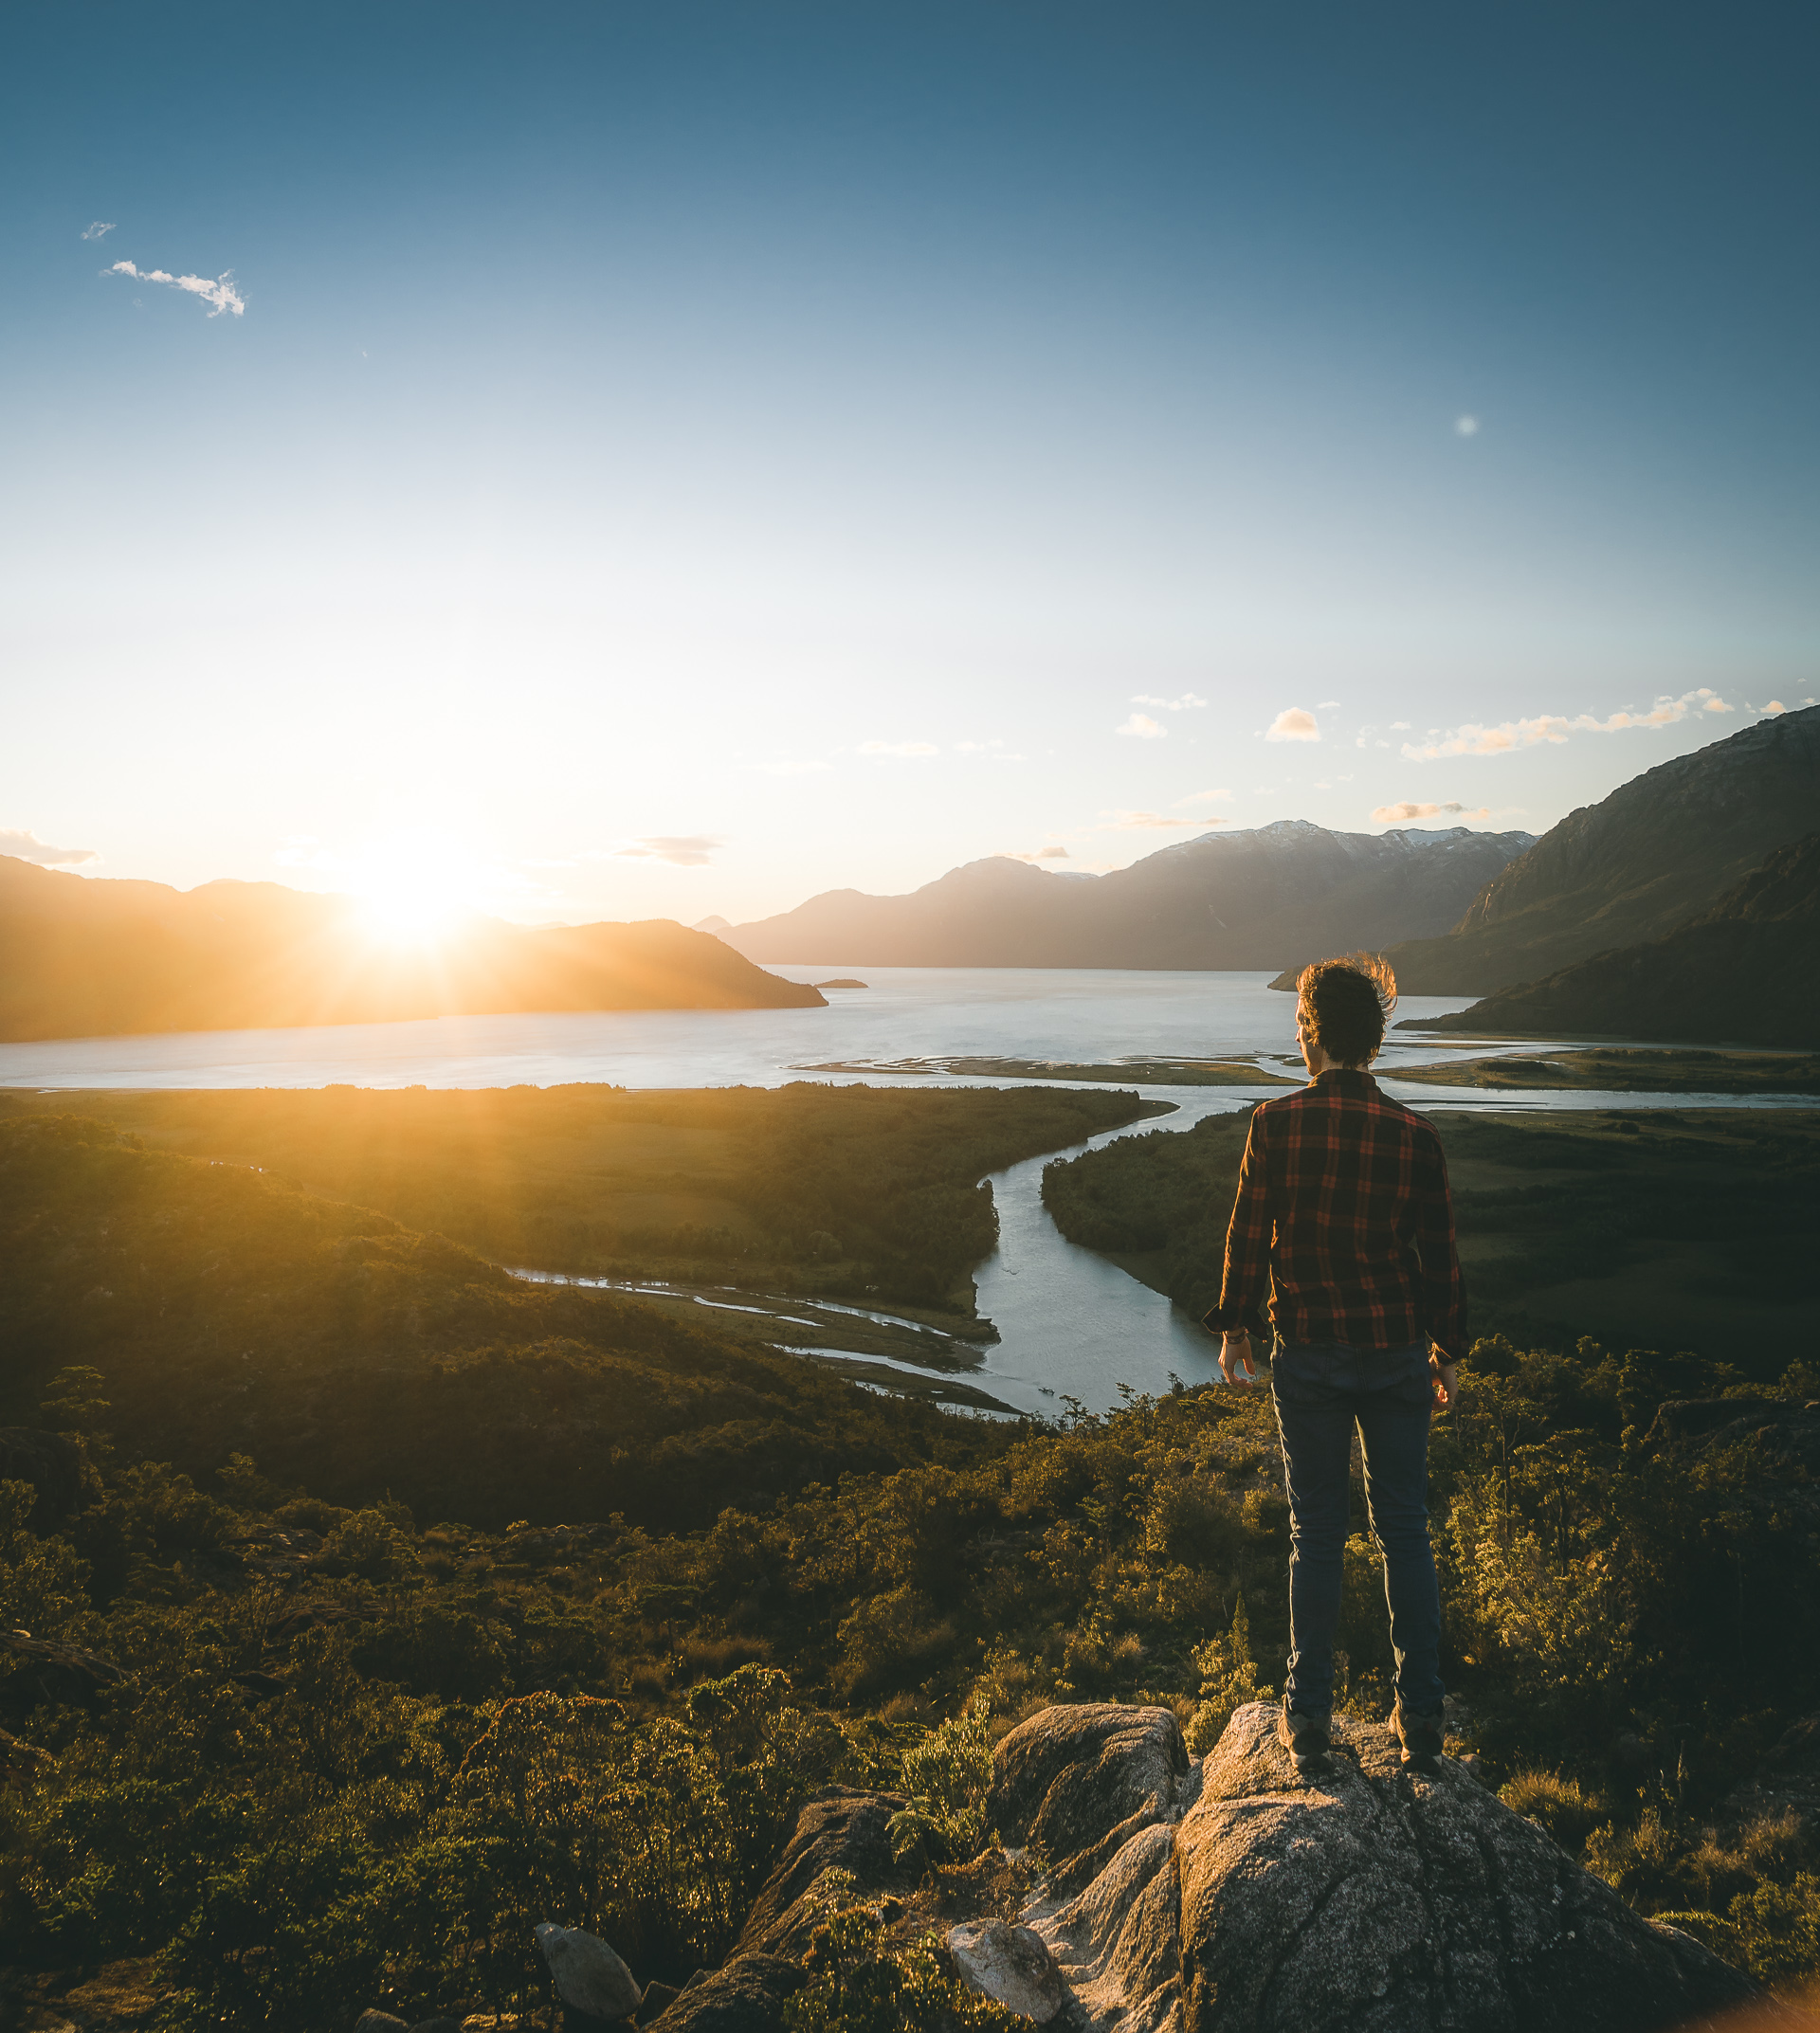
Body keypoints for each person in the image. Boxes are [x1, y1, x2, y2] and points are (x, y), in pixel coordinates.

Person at [1202, 953, 1465, 1776]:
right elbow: (1441, 1258)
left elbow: (1250, 1235)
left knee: (1316, 1533)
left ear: (1312, 1036)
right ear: (1376, 1040)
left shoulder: (1274, 1124)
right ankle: (1420, 1719)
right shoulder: (1416, 1135)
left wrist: (1237, 1329)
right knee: (1405, 1530)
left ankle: (1308, 1717)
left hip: (1309, 1354)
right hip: (1395, 1353)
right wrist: (1449, 1349)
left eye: (1300, 1027)